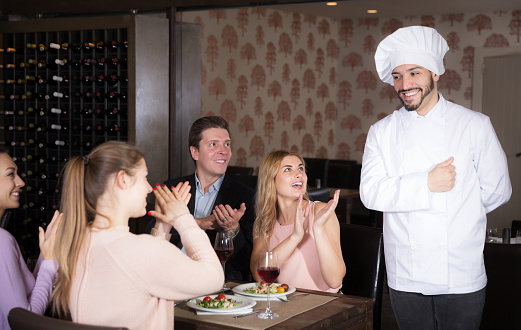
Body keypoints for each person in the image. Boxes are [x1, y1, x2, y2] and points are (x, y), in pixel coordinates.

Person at [361, 26, 512, 329]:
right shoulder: (381, 132)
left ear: (436, 73)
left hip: (460, 271)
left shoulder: (474, 125)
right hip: (406, 271)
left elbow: (498, 190)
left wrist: (459, 212)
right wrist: (426, 185)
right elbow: (371, 194)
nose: (405, 84)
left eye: (414, 73)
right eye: (397, 76)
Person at [50, 141, 223, 329]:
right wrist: (183, 217)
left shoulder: (75, 242)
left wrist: (163, 225)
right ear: (123, 179)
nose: (150, 188)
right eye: (145, 177)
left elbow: (138, 274)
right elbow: (214, 278)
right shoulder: (141, 251)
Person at [160, 116, 255, 280]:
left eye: (227, 144)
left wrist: (234, 230)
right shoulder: (172, 188)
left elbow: (247, 264)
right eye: (213, 144)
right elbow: (153, 240)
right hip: (174, 277)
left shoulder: (245, 196)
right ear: (195, 152)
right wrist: (197, 223)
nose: (223, 151)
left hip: (218, 286)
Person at [250, 150, 345, 293]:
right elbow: (260, 277)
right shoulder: (264, 224)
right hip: (286, 304)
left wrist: (317, 230)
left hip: (325, 304)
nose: (299, 174)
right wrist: (294, 238)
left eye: (301, 168)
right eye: (288, 169)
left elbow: (335, 280)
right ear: (271, 179)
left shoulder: (320, 212)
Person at [0, 147, 62, 330]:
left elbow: (21, 294)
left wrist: (46, 255)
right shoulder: (2, 241)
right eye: (11, 174)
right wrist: (50, 263)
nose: (20, 182)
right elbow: (23, 321)